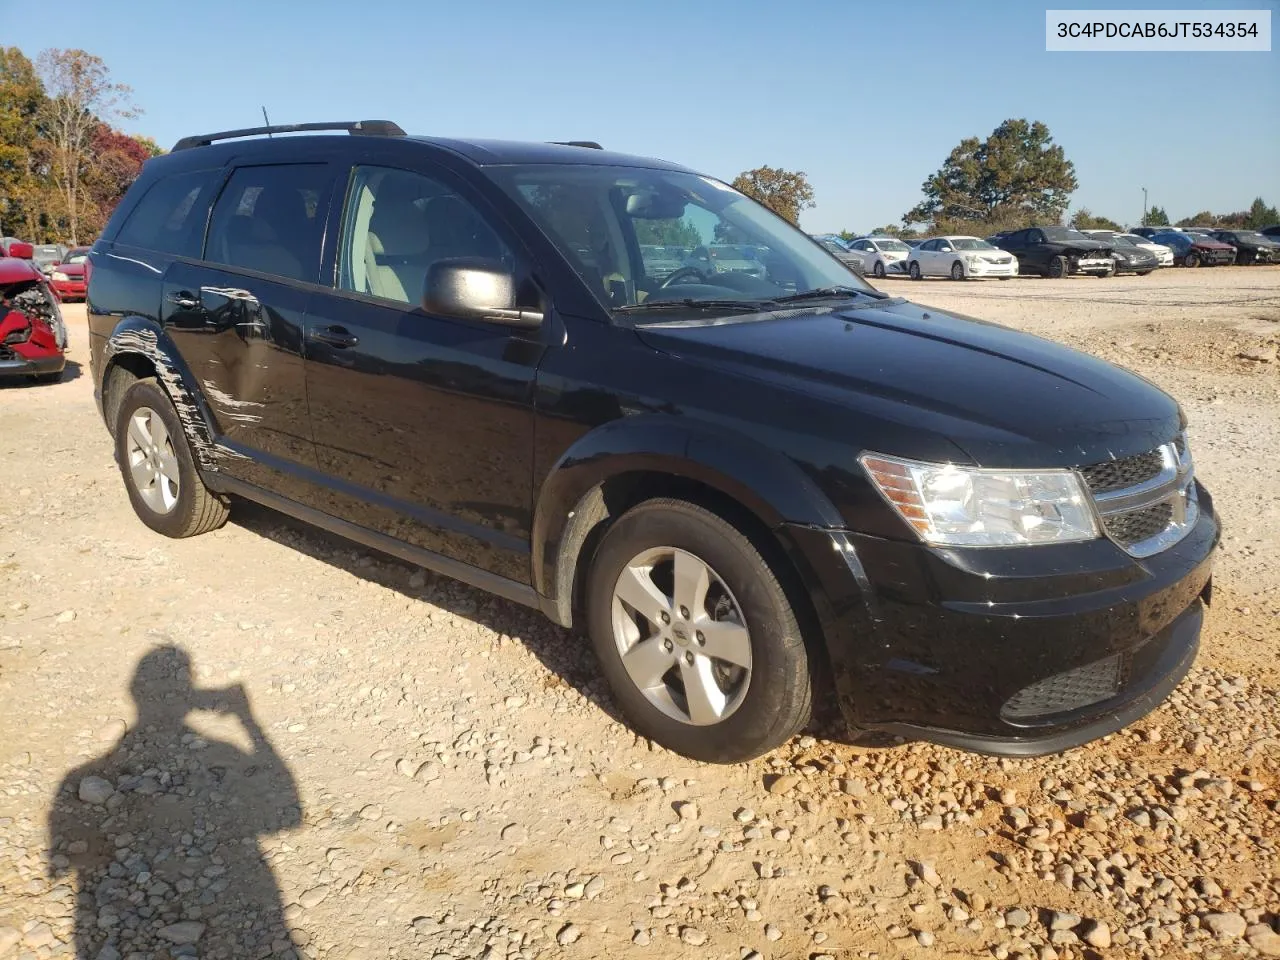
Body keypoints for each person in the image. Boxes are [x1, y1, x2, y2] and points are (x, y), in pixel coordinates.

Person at [49, 646, 302, 958]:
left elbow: (59, 868)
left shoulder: (75, 777)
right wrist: (247, 719)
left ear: (133, 691)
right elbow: (288, 816)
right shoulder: (225, 749)